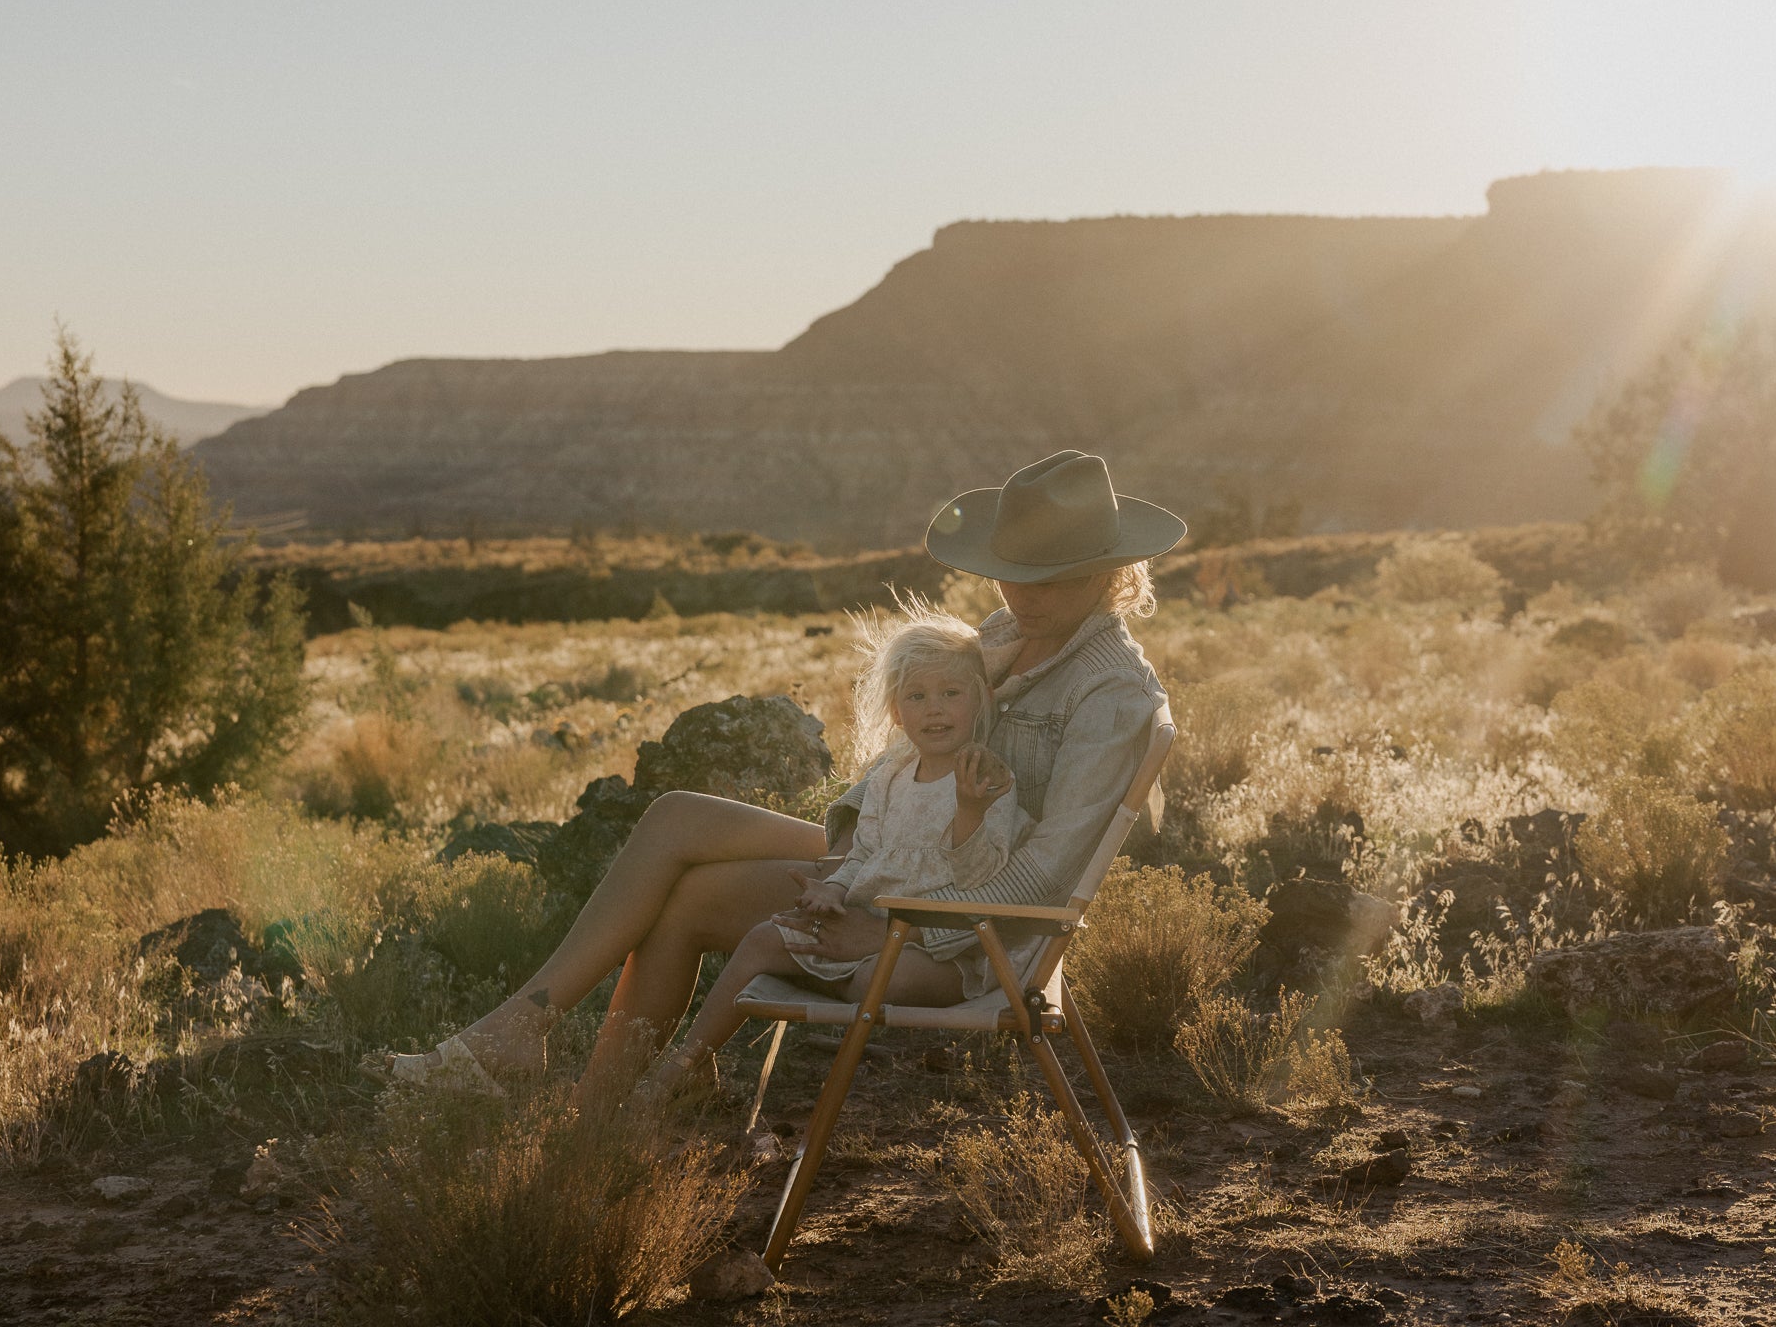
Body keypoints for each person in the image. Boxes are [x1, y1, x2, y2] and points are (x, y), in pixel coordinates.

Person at [384, 449, 1183, 1106]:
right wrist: (850, 858)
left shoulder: (1110, 693)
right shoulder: (1010, 629)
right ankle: (535, 1046)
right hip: (900, 855)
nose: (1023, 595)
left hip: (961, 917)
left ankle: (595, 1115)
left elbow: (1046, 876)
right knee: (675, 816)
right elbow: (911, 755)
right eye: (1012, 571)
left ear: (1109, 573)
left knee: (688, 903)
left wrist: (896, 925)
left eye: (1051, 578)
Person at [634, 611, 1024, 1100]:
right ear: (896, 712)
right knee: (761, 938)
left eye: (951, 693)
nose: (934, 710)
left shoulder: (986, 778)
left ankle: (830, 974)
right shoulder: (890, 778)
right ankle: (686, 1064)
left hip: (938, 951)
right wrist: (834, 888)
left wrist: (969, 811)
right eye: (916, 696)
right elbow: (863, 853)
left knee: (886, 979)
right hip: (862, 927)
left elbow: (980, 877)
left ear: (981, 699)